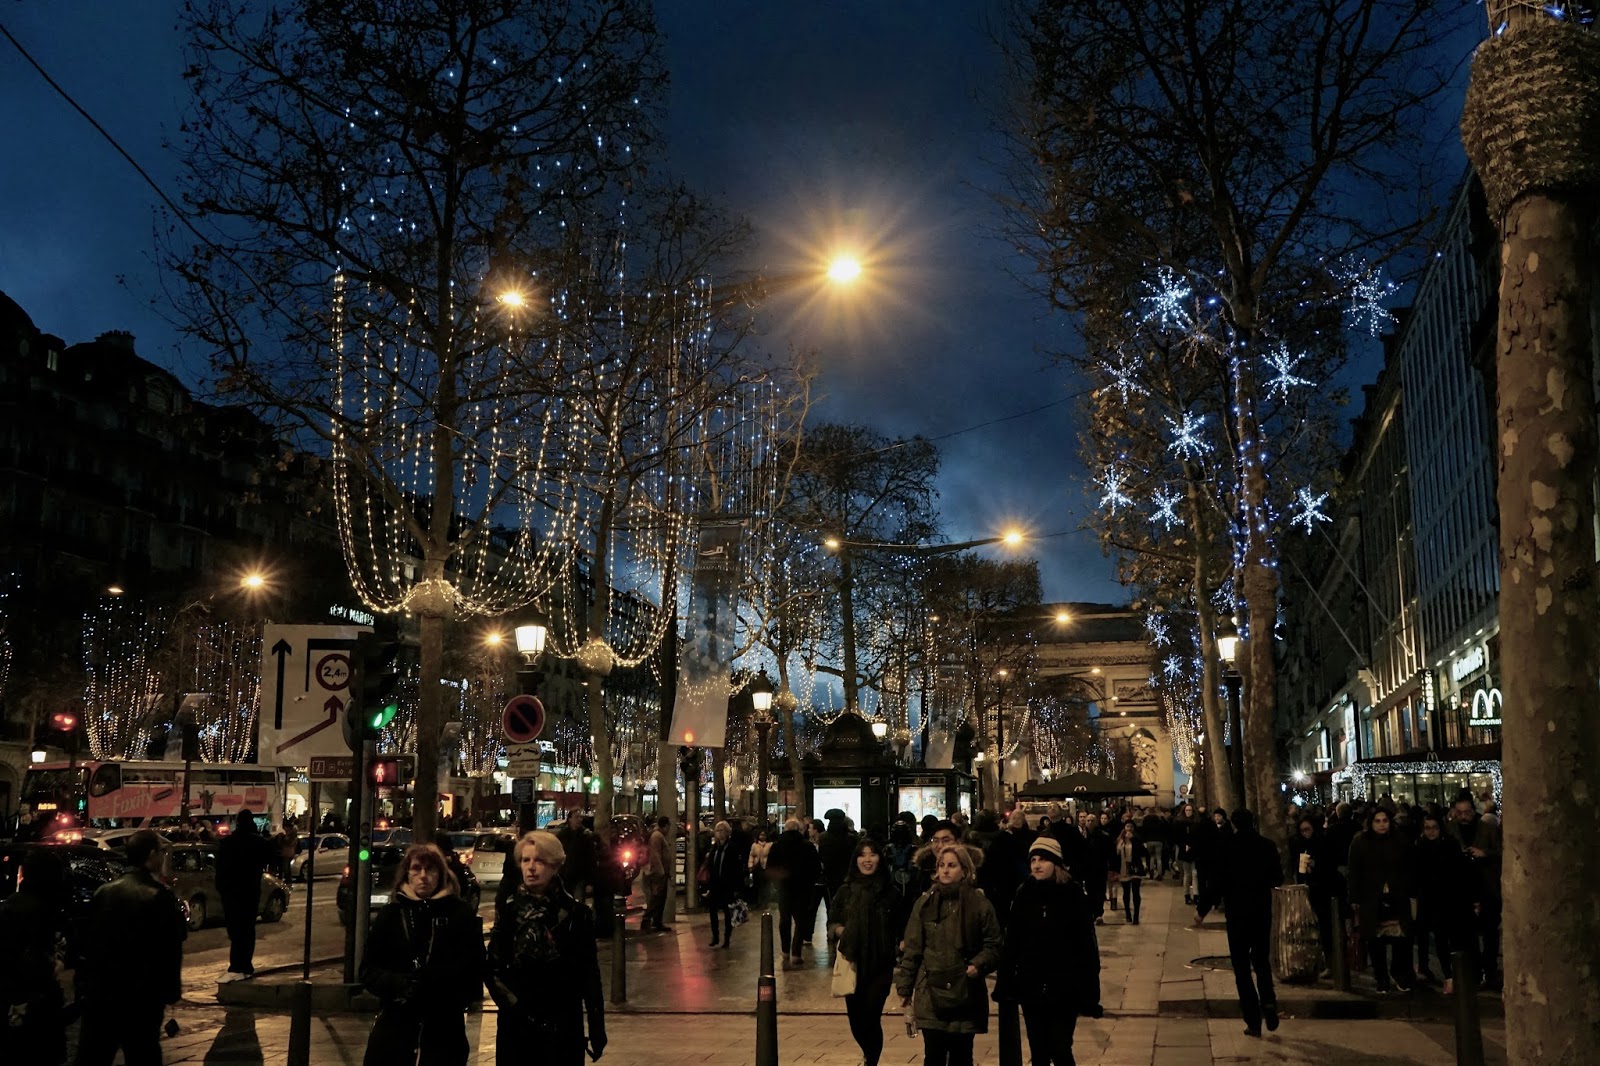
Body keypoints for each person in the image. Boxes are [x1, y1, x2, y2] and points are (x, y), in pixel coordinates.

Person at [359, 844, 484, 1066]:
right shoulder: (392, 915)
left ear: (441, 874)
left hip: (443, 1030)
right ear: (407, 873)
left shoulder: (459, 913)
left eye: (431, 869)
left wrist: (439, 984)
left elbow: (474, 971)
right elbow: (369, 970)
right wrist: (398, 983)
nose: (423, 876)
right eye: (416, 869)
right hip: (396, 1029)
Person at [487, 831, 606, 1064]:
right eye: (525, 860)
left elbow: (589, 974)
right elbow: (493, 968)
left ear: (555, 866)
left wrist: (596, 1027)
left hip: (561, 1022)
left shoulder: (575, 913)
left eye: (539, 861)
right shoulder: (510, 912)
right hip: (517, 1024)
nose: (531, 867)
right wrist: (516, 1007)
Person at [74, 830, 187, 1066]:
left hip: (103, 993)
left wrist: (84, 985)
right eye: (161, 852)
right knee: (142, 1053)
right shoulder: (158, 896)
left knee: (95, 1054)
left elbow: (87, 943)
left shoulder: (104, 892)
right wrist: (171, 991)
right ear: (152, 854)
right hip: (141, 997)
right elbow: (170, 949)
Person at [993, 836, 1102, 1066]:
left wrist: (1090, 994)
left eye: (1042, 859)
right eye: (1033, 859)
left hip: (1065, 988)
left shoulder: (1072, 894)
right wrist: (1004, 982)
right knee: (1039, 1052)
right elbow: (1012, 941)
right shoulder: (1025, 893)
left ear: (1056, 863)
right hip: (1031, 987)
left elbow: (1087, 946)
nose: (1036, 865)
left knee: (1060, 1048)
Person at [894, 843, 1003, 1066]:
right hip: (930, 990)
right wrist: (904, 986)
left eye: (952, 865)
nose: (945, 870)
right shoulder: (925, 903)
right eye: (941, 865)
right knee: (933, 1053)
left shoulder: (980, 904)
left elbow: (994, 945)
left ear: (965, 869)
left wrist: (978, 964)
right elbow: (913, 948)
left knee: (961, 1055)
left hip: (965, 990)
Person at [828, 839, 906, 1066]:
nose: (868, 860)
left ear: (880, 859)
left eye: (873, 854)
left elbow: (901, 925)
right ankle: (867, 1053)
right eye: (863, 855)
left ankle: (871, 1060)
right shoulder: (846, 891)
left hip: (880, 963)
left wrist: (901, 944)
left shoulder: (890, 893)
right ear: (856, 860)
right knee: (856, 1020)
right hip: (852, 963)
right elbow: (832, 921)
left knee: (871, 1016)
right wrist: (841, 930)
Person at [1218, 809, 1282, 1037]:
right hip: (1261, 912)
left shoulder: (1227, 846)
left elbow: (1219, 880)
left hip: (1237, 914)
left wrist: (1203, 908)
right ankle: (1269, 1003)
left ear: (1233, 824)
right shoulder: (1267, 845)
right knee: (1262, 962)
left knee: (1242, 968)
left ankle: (1253, 1019)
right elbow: (1278, 878)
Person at [0, 848, 67, 1064]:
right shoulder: (56, 912)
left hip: (18, 1009)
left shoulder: (9, 909)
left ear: (23, 875)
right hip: (44, 1011)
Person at [1348, 806, 1415, 994]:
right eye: (1377, 821)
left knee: (1400, 939)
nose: (1382, 825)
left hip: (1397, 895)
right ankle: (1381, 978)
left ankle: (1398, 973)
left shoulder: (1400, 840)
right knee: (1375, 941)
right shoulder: (1360, 842)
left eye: (1385, 821)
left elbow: (1409, 867)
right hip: (1371, 897)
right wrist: (1354, 898)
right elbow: (1354, 871)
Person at [1412, 813, 1474, 993]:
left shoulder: (1449, 845)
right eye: (1427, 828)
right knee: (1437, 938)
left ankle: (1453, 975)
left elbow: (1458, 872)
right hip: (1429, 898)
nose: (1431, 831)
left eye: (1434, 827)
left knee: (1450, 939)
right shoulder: (1420, 846)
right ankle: (1447, 975)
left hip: (1449, 899)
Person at [1446, 793, 1502, 990]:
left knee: (1490, 932)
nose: (1464, 816)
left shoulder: (1486, 827)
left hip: (1486, 885)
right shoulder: (1450, 829)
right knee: (1467, 933)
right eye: (1459, 812)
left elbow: (1500, 851)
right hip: (1462, 887)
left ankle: (1490, 969)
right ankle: (1475, 971)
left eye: (1467, 812)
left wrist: (1484, 853)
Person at [215, 808, 276, 983]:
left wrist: (222, 889)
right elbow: (271, 859)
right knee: (247, 930)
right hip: (250, 892)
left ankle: (237, 966)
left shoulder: (228, 843)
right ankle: (244, 966)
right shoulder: (259, 843)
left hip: (232, 894)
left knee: (236, 930)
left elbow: (221, 870)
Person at [766, 817, 822, 965]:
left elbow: (770, 866)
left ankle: (785, 951)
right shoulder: (807, 846)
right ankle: (796, 952)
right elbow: (816, 867)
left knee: (784, 919)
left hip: (784, 887)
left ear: (785, 829)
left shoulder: (777, 846)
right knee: (801, 920)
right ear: (799, 829)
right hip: (803, 887)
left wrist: (777, 883)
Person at [1288, 816, 1338, 970]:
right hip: (1307, 888)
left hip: (1323, 889)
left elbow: (1330, 864)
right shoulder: (1299, 844)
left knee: (1325, 925)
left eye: (1307, 829)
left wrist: (1316, 865)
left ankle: (1330, 961)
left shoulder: (1323, 843)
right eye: (1302, 830)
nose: (1305, 833)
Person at [703, 821, 746, 949]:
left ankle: (727, 938)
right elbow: (711, 865)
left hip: (727, 884)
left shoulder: (731, 847)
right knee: (712, 910)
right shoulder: (715, 848)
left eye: (722, 830)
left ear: (727, 832)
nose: (720, 833)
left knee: (728, 912)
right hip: (715, 884)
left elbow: (736, 867)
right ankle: (715, 936)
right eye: (717, 831)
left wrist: (737, 886)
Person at [555, 809, 598, 913]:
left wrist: (590, 882)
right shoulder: (562, 835)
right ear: (569, 819)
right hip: (565, 876)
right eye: (576, 817)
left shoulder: (585, 836)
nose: (579, 819)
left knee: (578, 904)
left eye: (580, 817)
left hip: (580, 877)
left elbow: (591, 859)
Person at [817, 809, 858, 907]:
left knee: (831, 904)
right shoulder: (851, 838)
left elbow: (821, 857)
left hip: (829, 877)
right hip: (847, 876)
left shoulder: (823, 837)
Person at [641, 815, 671, 933]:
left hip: (660, 872)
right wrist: (661, 872)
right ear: (665, 825)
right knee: (656, 898)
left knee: (660, 898)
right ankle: (648, 920)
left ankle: (657, 921)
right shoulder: (657, 836)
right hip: (658, 873)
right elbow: (655, 855)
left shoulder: (658, 836)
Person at [1114, 822, 1148, 924]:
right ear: (1124, 828)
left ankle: (1136, 916)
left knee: (1136, 892)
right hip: (1124, 869)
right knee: (1126, 893)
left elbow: (1144, 852)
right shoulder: (1119, 840)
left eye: (1131, 826)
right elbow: (1116, 855)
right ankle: (1128, 914)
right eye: (1127, 826)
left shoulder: (1138, 838)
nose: (1129, 828)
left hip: (1136, 869)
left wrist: (1134, 839)